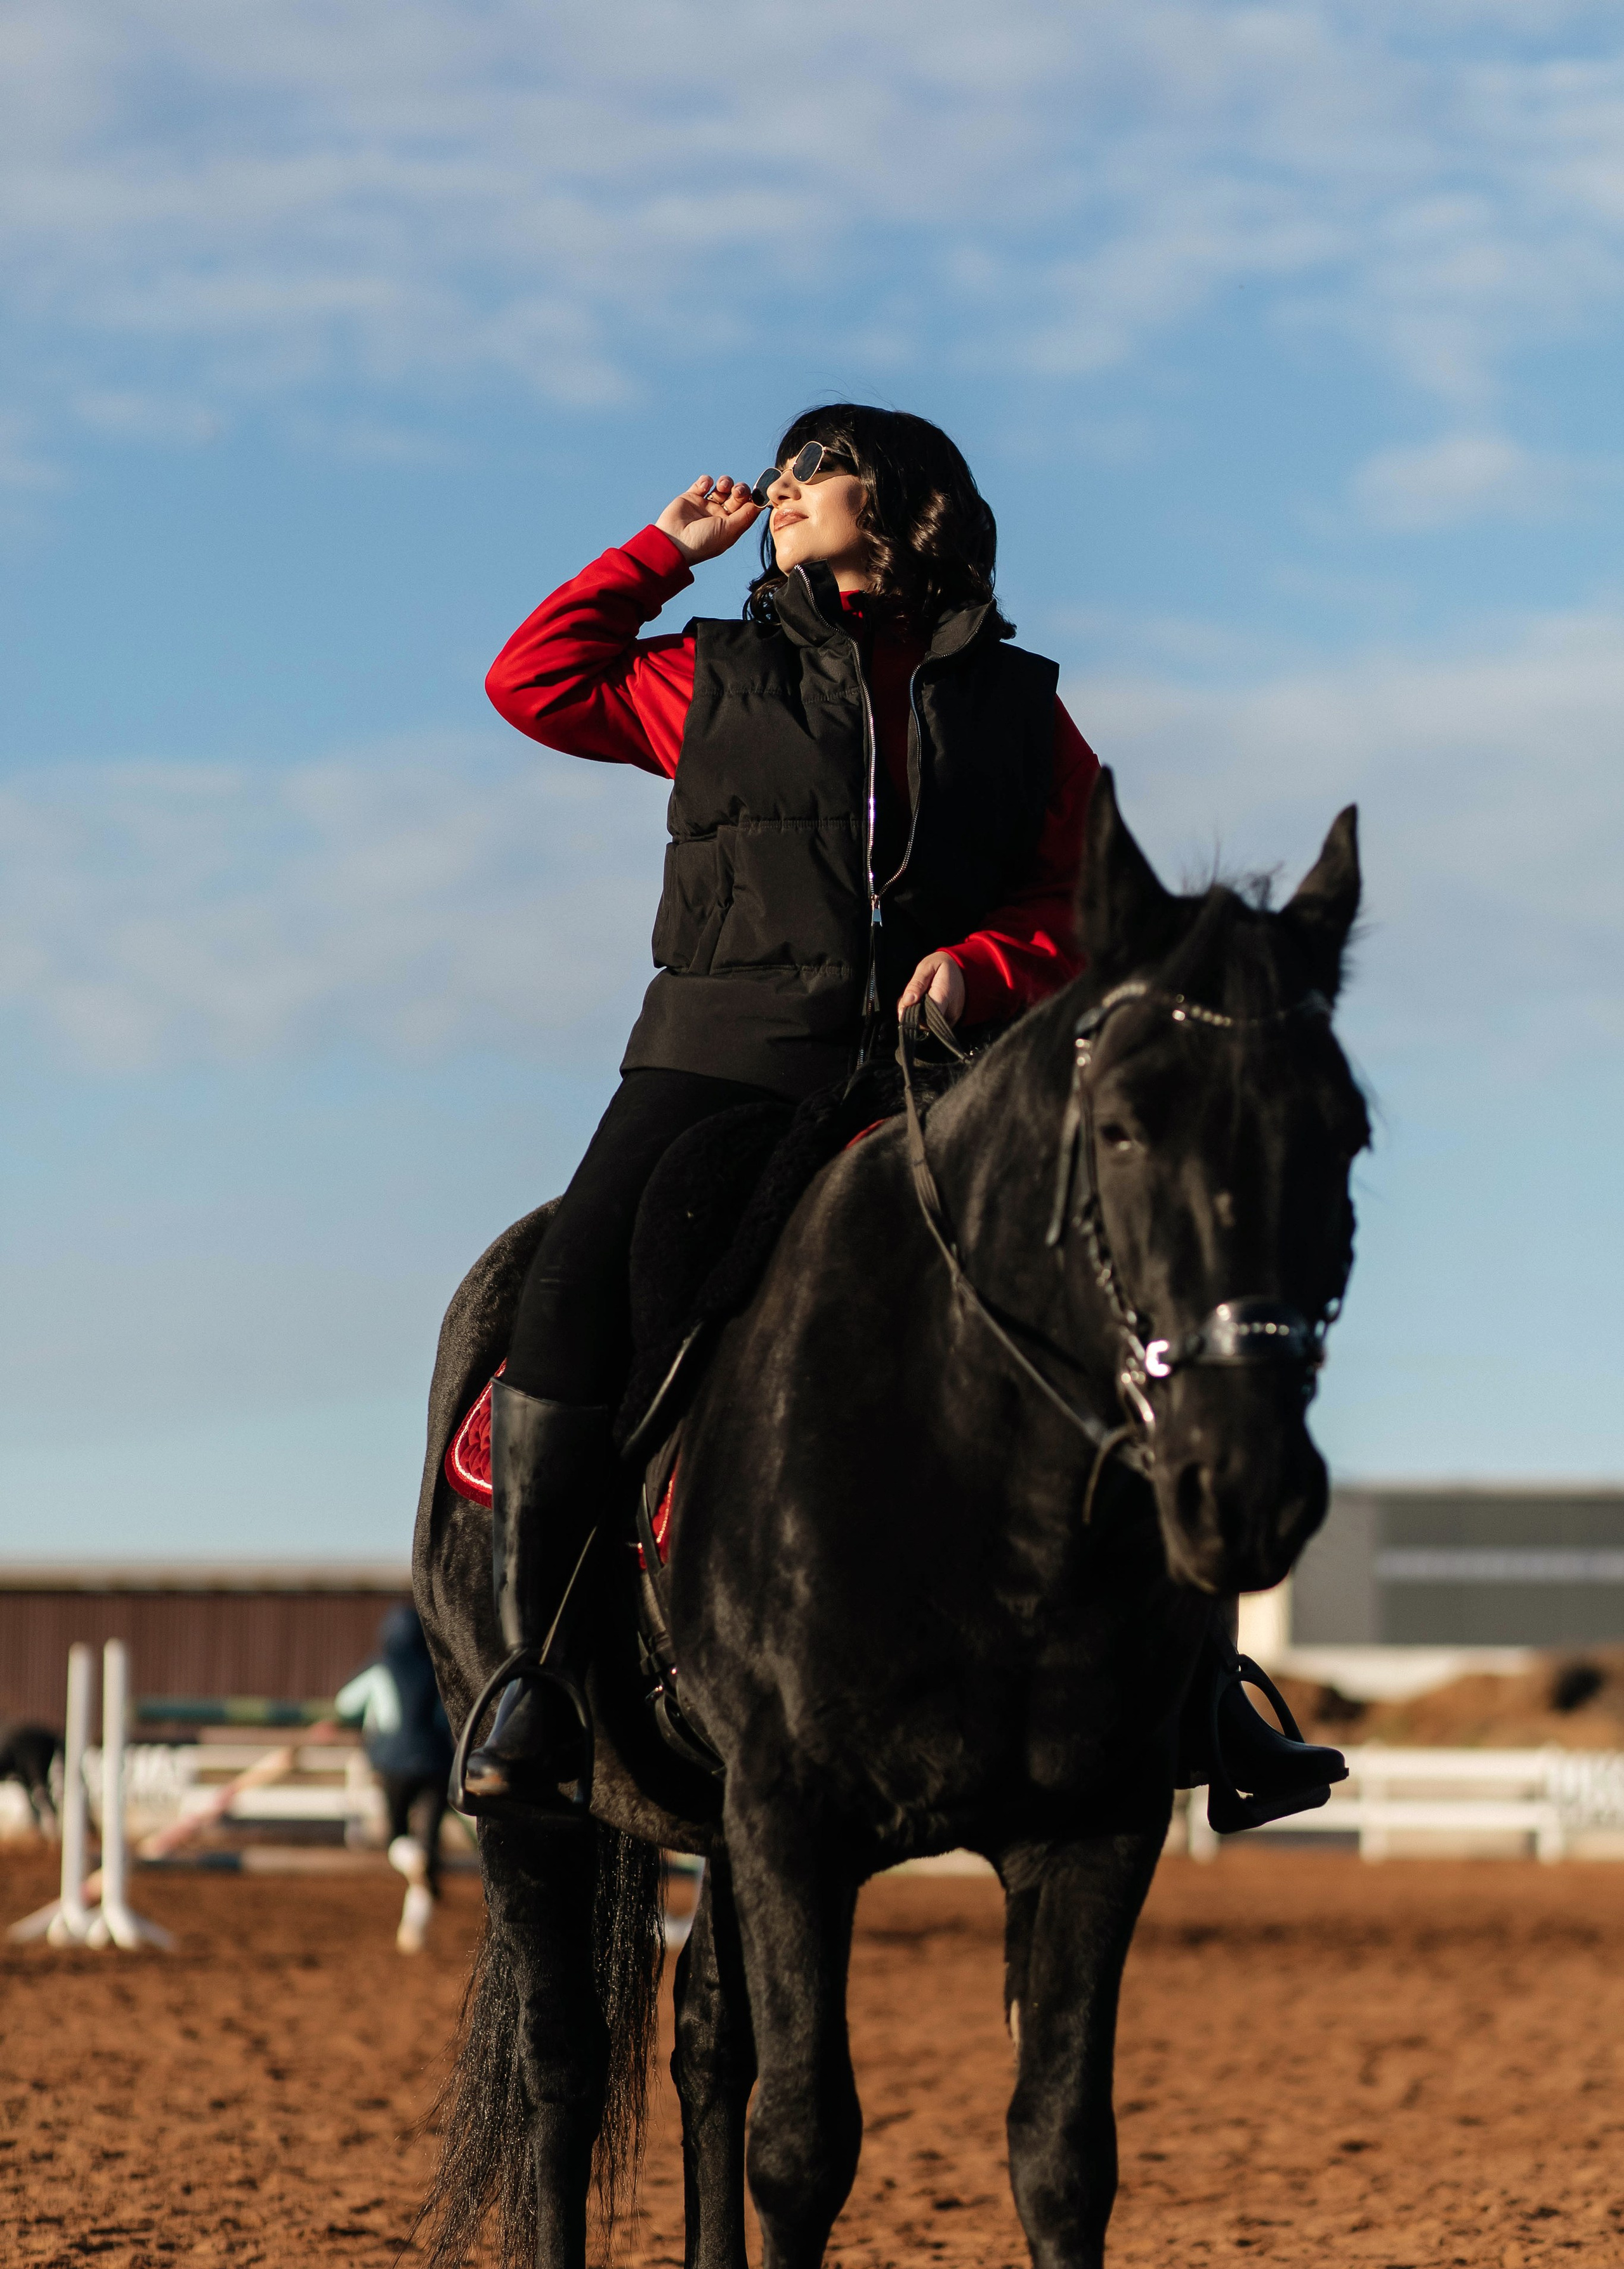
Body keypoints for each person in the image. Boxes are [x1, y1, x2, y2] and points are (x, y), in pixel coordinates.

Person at [468, 405, 1101, 1818]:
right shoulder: (710, 671)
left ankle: (1189, 1687)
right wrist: (660, 553)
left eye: (819, 464)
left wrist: (989, 963)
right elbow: (533, 681)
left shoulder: (1019, 704)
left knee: (1134, 1270)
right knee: (570, 1289)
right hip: (722, 1048)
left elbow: (1082, 891)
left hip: (938, 1068)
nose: (784, 486)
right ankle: (536, 1675)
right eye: (781, 469)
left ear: (908, 500)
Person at [336, 1604, 455, 1950]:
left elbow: (345, 1704)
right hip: (437, 1763)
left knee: (397, 1838)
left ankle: (408, 1857)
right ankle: (415, 1926)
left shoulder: (382, 1667)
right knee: (429, 1844)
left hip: (393, 1765)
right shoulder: (438, 1667)